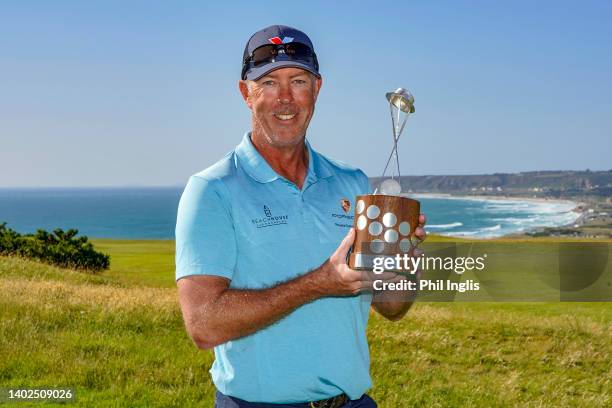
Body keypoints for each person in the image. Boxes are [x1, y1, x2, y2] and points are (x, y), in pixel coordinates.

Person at [176, 25, 426, 408]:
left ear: (317, 89)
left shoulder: (352, 183)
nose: (286, 99)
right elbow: (204, 325)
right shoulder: (212, 189)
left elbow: (391, 307)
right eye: (270, 83)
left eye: (298, 81)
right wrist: (320, 283)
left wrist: (405, 263)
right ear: (246, 93)